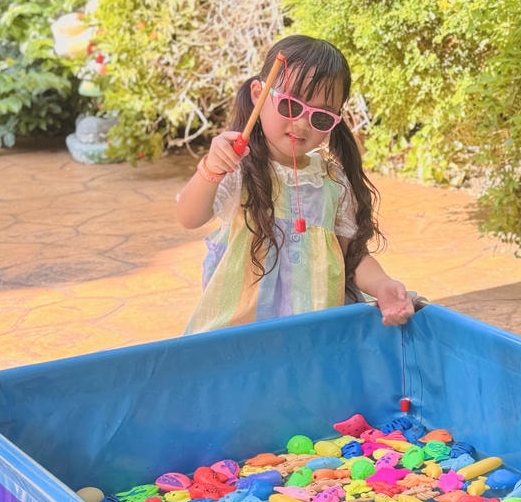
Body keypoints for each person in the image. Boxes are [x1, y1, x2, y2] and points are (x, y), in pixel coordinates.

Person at [178, 34, 415, 333]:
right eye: (290, 106)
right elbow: (189, 217)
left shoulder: (332, 182)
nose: (301, 124)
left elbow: (351, 258)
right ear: (258, 95)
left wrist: (382, 285)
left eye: (320, 118)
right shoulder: (239, 168)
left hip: (308, 336)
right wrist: (210, 170)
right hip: (240, 333)